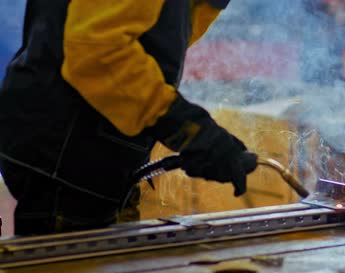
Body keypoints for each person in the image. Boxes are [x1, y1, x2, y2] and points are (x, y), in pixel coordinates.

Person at [0, 0, 257, 236]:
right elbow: (96, 51)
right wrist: (189, 131)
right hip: (67, 150)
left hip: (94, 146)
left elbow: (153, 34)